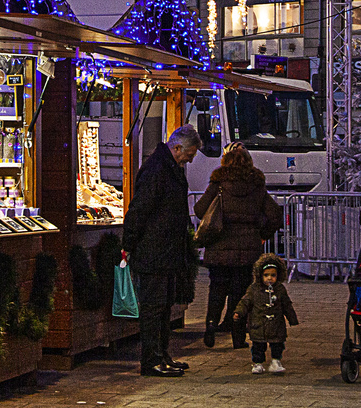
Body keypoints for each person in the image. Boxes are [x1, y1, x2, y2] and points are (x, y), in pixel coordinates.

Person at [123, 125, 200, 377]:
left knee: (164, 306)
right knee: (154, 307)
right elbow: (140, 208)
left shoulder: (169, 168)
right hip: (154, 251)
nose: (191, 158)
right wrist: (128, 244)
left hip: (166, 250)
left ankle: (162, 355)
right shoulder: (157, 169)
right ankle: (151, 360)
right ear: (177, 148)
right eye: (189, 153)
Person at [193, 143, 284, 349]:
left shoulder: (219, 183)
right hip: (248, 251)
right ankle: (237, 337)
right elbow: (274, 215)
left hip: (219, 248)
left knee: (217, 288)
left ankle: (210, 325)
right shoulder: (257, 185)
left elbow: (200, 210)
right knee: (240, 293)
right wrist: (262, 233)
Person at [233, 253, 298, 374]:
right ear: (260, 275)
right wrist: (239, 312)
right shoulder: (254, 289)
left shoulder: (280, 289)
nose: (269, 278)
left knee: (277, 344)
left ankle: (275, 361)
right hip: (259, 323)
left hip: (276, 324)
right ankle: (257, 363)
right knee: (258, 346)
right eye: (266, 275)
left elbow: (287, 305)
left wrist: (292, 318)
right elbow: (245, 301)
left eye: (273, 275)